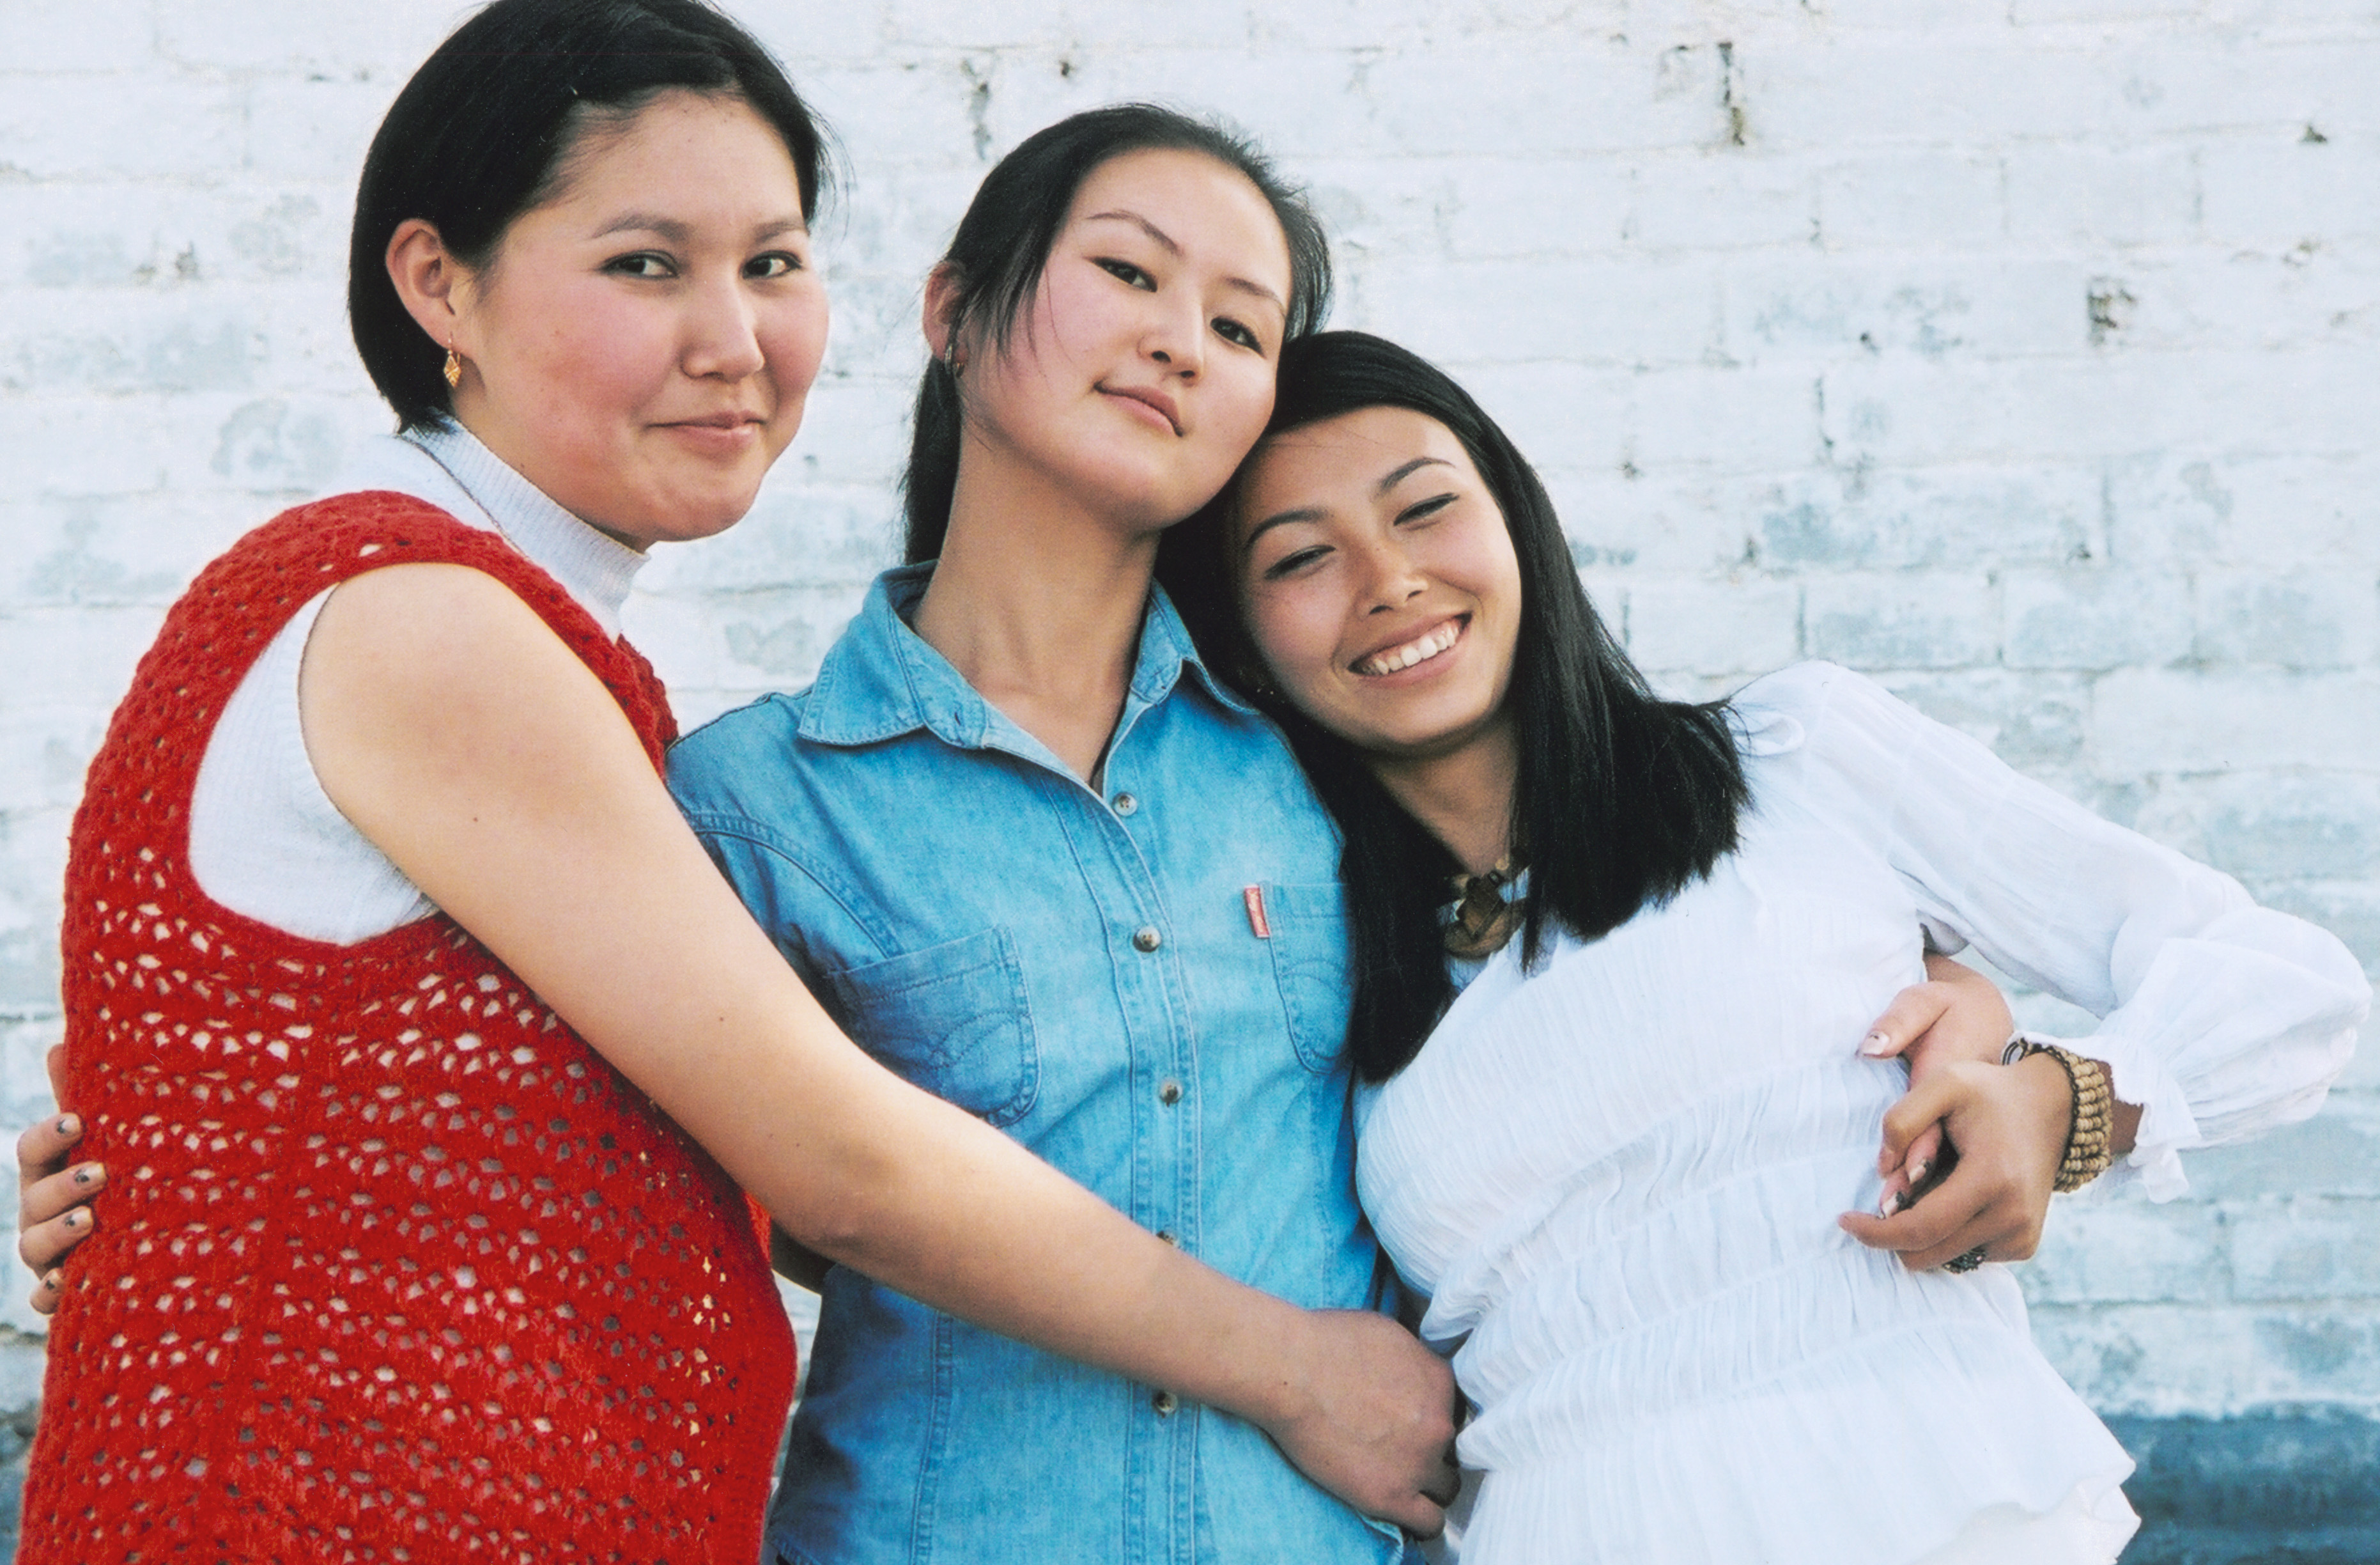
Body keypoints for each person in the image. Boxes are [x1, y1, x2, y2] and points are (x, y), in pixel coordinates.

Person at [10, 7, 1467, 1559]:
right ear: (441, 283)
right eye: (647, 263)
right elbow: (839, 1159)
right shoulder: (421, 618)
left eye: (771, 264)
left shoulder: (572, 689)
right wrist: (1301, 1372)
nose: (735, 338)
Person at [661, 109, 2024, 1565]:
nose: (1184, 342)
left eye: (1241, 328)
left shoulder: (1323, 740)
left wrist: (1971, 1012)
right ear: (953, 307)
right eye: (1130, 275)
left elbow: (1622, 950)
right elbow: (795, 1209)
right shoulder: (756, 805)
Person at [1162, 329, 2372, 1564]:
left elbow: (2285, 982)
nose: (1389, 580)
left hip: (1924, 1508)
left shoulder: (1794, 764)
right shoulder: (1296, 964)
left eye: (1425, 510)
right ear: (1239, 640)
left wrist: (2063, 1101)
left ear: (1516, 518)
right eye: (1303, 558)